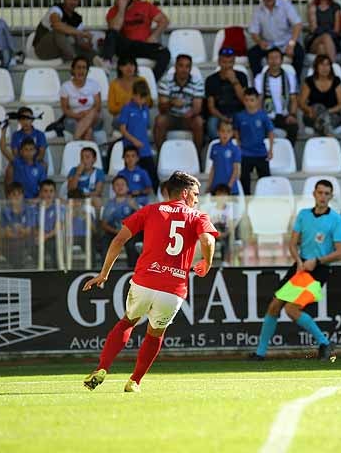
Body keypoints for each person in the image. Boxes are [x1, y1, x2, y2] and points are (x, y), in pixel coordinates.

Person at [82, 171, 217, 393]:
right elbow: (207, 240)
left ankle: (102, 367)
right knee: (155, 333)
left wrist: (104, 273)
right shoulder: (197, 216)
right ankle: (134, 381)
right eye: (195, 194)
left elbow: (119, 239)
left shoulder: (150, 210)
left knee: (127, 322)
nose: (197, 199)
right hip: (173, 289)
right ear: (184, 193)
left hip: (144, 282)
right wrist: (207, 262)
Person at [253, 179, 341, 361]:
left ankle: (325, 343)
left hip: (319, 270)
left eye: (327, 194)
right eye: (320, 193)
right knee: (274, 306)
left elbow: (340, 252)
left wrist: (317, 261)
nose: (323, 197)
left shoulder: (336, 219)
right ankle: (260, 354)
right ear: (314, 194)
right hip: (300, 267)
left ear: (331, 196)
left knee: (291, 309)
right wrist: (298, 261)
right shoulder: (304, 215)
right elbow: (292, 244)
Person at [101, 0, 171, 79]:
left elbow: (164, 21)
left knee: (165, 53)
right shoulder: (113, 11)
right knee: (111, 33)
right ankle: (106, 62)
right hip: (127, 47)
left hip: (144, 45)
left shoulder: (144, 6)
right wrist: (121, 9)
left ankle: (151, 82)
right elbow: (114, 29)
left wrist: (154, 35)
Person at [248, 0, 305, 78]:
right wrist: (260, 42)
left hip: (286, 43)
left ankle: (296, 84)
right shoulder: (258, 10)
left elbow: (297, 24)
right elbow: (254, 31)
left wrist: (291, 44)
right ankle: (259, 83)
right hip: (268, 45)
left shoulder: (285, 5)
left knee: (299, 53)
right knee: (252, 54)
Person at [34, 0, 100, 65]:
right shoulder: (55, 10)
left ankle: (98, 62)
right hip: (43, 50)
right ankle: (75, 61)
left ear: (78, 1)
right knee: (58, 31)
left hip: (61, 51)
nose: (72, 2)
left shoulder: (77, 19)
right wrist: (81, 33)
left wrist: (89, 42)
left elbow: (80, 42)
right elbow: (57, 25)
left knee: (83, 48)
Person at [155, 54, 205, 149]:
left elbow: (197, 108)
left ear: (190, 68)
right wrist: (171, 103)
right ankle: (160, 155)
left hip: (189, 118)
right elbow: (161, 108)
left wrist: (189, 114)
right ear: (175, 67)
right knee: (160, 120)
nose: (184, 69)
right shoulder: (165, 81)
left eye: (187, 66)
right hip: (171, 116)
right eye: (181, 65)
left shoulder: (198, 82)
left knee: (199, 121)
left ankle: (197, 157)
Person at [115, 80, 158, 185]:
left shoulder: (145, 109)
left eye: (144, 98)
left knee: (152, 177)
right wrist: (134, 141)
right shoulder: (127, 108)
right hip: (131, 148)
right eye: (140, 97)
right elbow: (123, 129)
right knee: (131, 178)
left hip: (144, 148)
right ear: (133, 95)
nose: (142, 100)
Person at [254, 46, 300, 143]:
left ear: (281, 60)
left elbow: (293, 99)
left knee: (293, 127)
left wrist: (292, 115)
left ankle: (288, 153)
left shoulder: (290, 77)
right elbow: (259, 99)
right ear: (267, 61)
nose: (274, 61)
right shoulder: (260, 78)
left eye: (276, 58)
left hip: (284, 115)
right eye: (271, 58)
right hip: (267, 115)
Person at [235, 88, 275, 195]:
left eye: (252, 100)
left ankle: (266, 200)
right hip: (245, 153)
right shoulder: (240, 116)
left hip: (261, 152)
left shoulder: (263, 116)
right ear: (243, 101)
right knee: (244, 180)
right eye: (246, 100)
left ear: (257, 100)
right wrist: (238, 145)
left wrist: (270, 150)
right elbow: (236, 131)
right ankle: (246, 203)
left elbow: (270, 131)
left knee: (266, 180)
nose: (249, 103)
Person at [299, 54, 341, 136]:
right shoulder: (309, 81)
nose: (325, 68)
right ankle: (329, 139)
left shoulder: (336, 81)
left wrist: (327, 112)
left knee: (324, 118)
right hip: (313, 114)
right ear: (316, 67)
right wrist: (309, 110)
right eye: (322, 65)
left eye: (327, 65)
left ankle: (323, 136)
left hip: (332, 113)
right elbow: (301, 103)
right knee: (318, 107)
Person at [204, 47, 248, 135]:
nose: (227, 66)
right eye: (224, 62)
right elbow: (211, 107)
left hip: (238, 112)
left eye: (230, 62)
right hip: (219, 114)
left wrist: (234, 81)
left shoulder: (241, 76)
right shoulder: (211, 79)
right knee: (212, 126)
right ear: (219, 62)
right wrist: (224, 118)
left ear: (234, 62)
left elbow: (244, 100)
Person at [98, 176, 141, 267]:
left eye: (122, 184)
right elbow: (104, 224)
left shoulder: (133, 202)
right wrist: (116, 232)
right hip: (113, 232)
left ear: (127, 187)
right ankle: (104, 273)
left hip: (130, 233)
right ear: (113, 188)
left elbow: (142, 219)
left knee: (131, 246)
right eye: (117, 185)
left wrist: (135, 208)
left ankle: (132, 272)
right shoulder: (109, 204)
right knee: (105, 244)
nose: (120, 187)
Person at [59, 56, 103, 141]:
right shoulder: (66, 86)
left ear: (87, 71)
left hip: (93, 118)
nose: (81, 71)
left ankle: (75, 139)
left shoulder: (94, 84)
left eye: (84, 68)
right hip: (73, 118)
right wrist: (77, 115)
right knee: (88, 131)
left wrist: (87, 114)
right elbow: (65, 109)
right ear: (73, 70)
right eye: (78, 67)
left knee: (93, 112)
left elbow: (98, 106)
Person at [305, 0, 341, 66]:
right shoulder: (312, 6)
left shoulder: (336, 7)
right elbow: (314, 30)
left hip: (333, 40)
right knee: (325, 37)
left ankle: (322, 74)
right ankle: (333, 68)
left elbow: (337, 30)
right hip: (315, 40)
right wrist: (327, 32)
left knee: (322, 48)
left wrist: (327, 33)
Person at [1, 131, 46, 199]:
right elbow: (3, 148)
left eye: (31, 149)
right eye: (26, 149)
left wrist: (36, 200)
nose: (29, 152)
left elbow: (43, 187)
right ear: (21, 152)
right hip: (18, 200)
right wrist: (3, 132)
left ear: (35, 151)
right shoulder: (17, 163)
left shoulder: (40, 168)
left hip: (34, 201)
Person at [0, 182, 35, 267]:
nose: (17, 197)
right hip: (10, 242)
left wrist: (17, 229)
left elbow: (28, 231)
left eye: (19, 194)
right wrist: (19, 230)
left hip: (26, 241)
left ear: (23, 196)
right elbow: (6, 233)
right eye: (13, 194)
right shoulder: (4, 211)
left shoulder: (29, 209)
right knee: (11, 245)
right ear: (8, 197)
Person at [207, 120, 242, 195]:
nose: (225, 134)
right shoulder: (214, 147)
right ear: (218, 132)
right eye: (222, 131)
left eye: (228, 131)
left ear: (232, 133)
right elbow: (213, 167)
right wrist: (209, 185)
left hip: (231, 189)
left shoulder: (235, 149)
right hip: (216, 187)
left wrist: (229, 187)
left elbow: (236, 170)